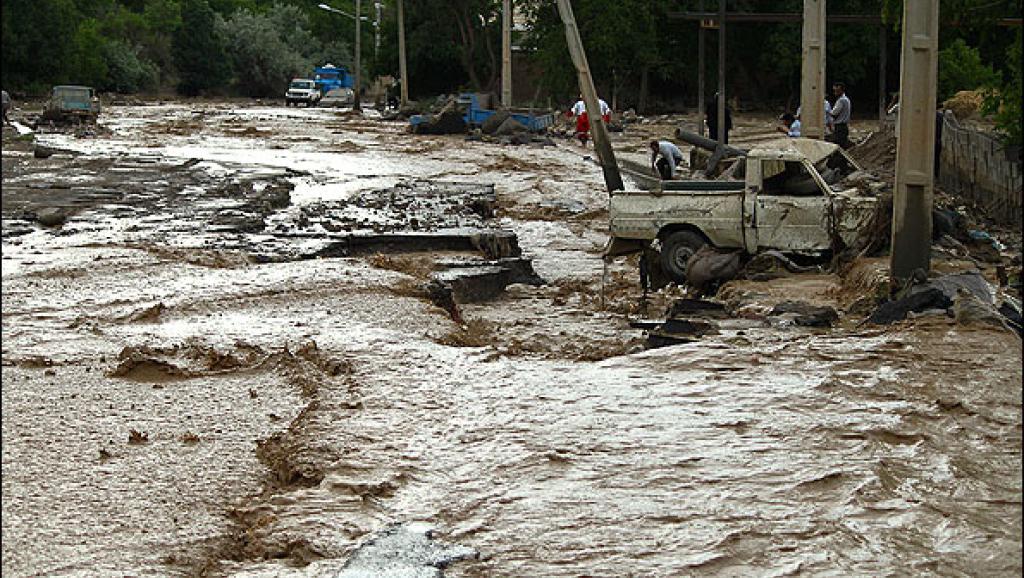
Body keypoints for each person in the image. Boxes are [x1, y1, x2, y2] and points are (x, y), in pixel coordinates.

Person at [828, 82, 851, 148]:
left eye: (837, 90)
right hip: (843, 127)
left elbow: (834, 113)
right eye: (834, 90)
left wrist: (827, 110)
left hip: (840, 127)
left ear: (841, 90)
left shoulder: (841, 100)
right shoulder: (846, 99)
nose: (835, 92)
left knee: (838, 146)